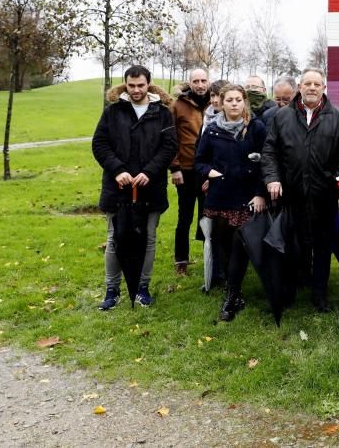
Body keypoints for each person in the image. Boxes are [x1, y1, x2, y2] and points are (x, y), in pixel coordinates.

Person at [261, 67, 339, 312]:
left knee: (322, 245)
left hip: (324, 193)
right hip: (291, 193)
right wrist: (272, 178)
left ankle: (319, 294)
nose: (312, 88)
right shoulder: (282, 117)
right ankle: (290, 290)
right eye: (308, 83)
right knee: (293, 243)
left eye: (317, 84)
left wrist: (335, 179)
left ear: (324, 88)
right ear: (299, 88)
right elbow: (270, 151)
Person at [92, 65, 178, 310]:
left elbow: (169, 146)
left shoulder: (162, 113)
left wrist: (149, 172)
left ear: (148, 84)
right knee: (114, 238)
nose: (136, 90)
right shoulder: (113, 111)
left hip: (150, 188)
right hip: (117, 188)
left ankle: (142, 288)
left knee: (148, 238)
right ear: (125, 84)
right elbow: (100, 144)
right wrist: (118, 170)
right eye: (132, 86)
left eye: (141, 85)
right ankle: (112, 290)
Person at [194, 84, 268, 322]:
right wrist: (209, 172)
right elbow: (199, 161)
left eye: (238, 100)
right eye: (229, 100)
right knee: (224, 246)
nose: (234, 104)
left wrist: (260, 194)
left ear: (244, 102)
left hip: (246, 196)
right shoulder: (213, 130)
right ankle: (234, 291)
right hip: (220, 196)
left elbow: (266, 163)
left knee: (240, 246)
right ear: (221, 103)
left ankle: (231, 294)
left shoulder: (256, 128)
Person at [169, 68, 210, 276]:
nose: (200, 84)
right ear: (189, 82)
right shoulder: (178, 106)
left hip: (207, 173)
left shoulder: (215, 103)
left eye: (203, 80)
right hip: (185, 170)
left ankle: (209, 260)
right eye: (196, 81)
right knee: (184, 217)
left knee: (207, 216)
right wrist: (174, 168)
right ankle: (181, 261)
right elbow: (170, 138)